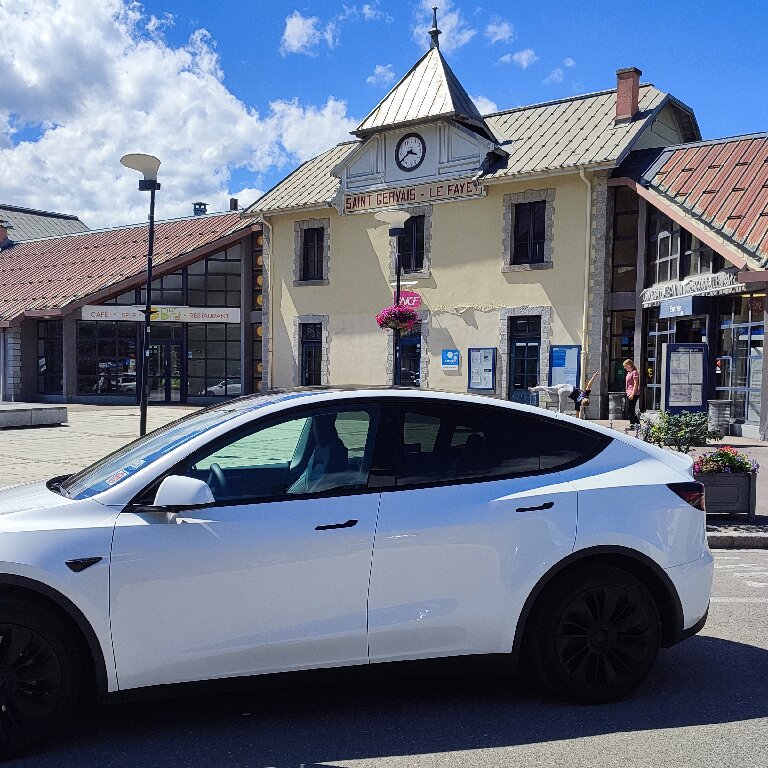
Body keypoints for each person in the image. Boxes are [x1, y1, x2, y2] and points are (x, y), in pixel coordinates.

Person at [529, 371, 599, 417]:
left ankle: (533, 389)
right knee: (562, 408)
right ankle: (558, 418)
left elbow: (589, 385)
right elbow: (577, 413)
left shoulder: (585, 394)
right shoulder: (578, 402)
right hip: (564, 392)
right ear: (582, 404)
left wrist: (594, 376)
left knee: (548, 388)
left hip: (566, 385)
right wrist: (578, 420)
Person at [624, 358, 640, 428]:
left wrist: (632, 394)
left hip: (633, 393)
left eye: (625, 366)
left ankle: (633, 424)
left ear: (629, 365)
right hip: (629, 393)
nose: (624, 368)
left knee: (630, 409)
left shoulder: (635, 372)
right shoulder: (629, 373)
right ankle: (636, 424)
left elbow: (636, 384)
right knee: (630, 409)